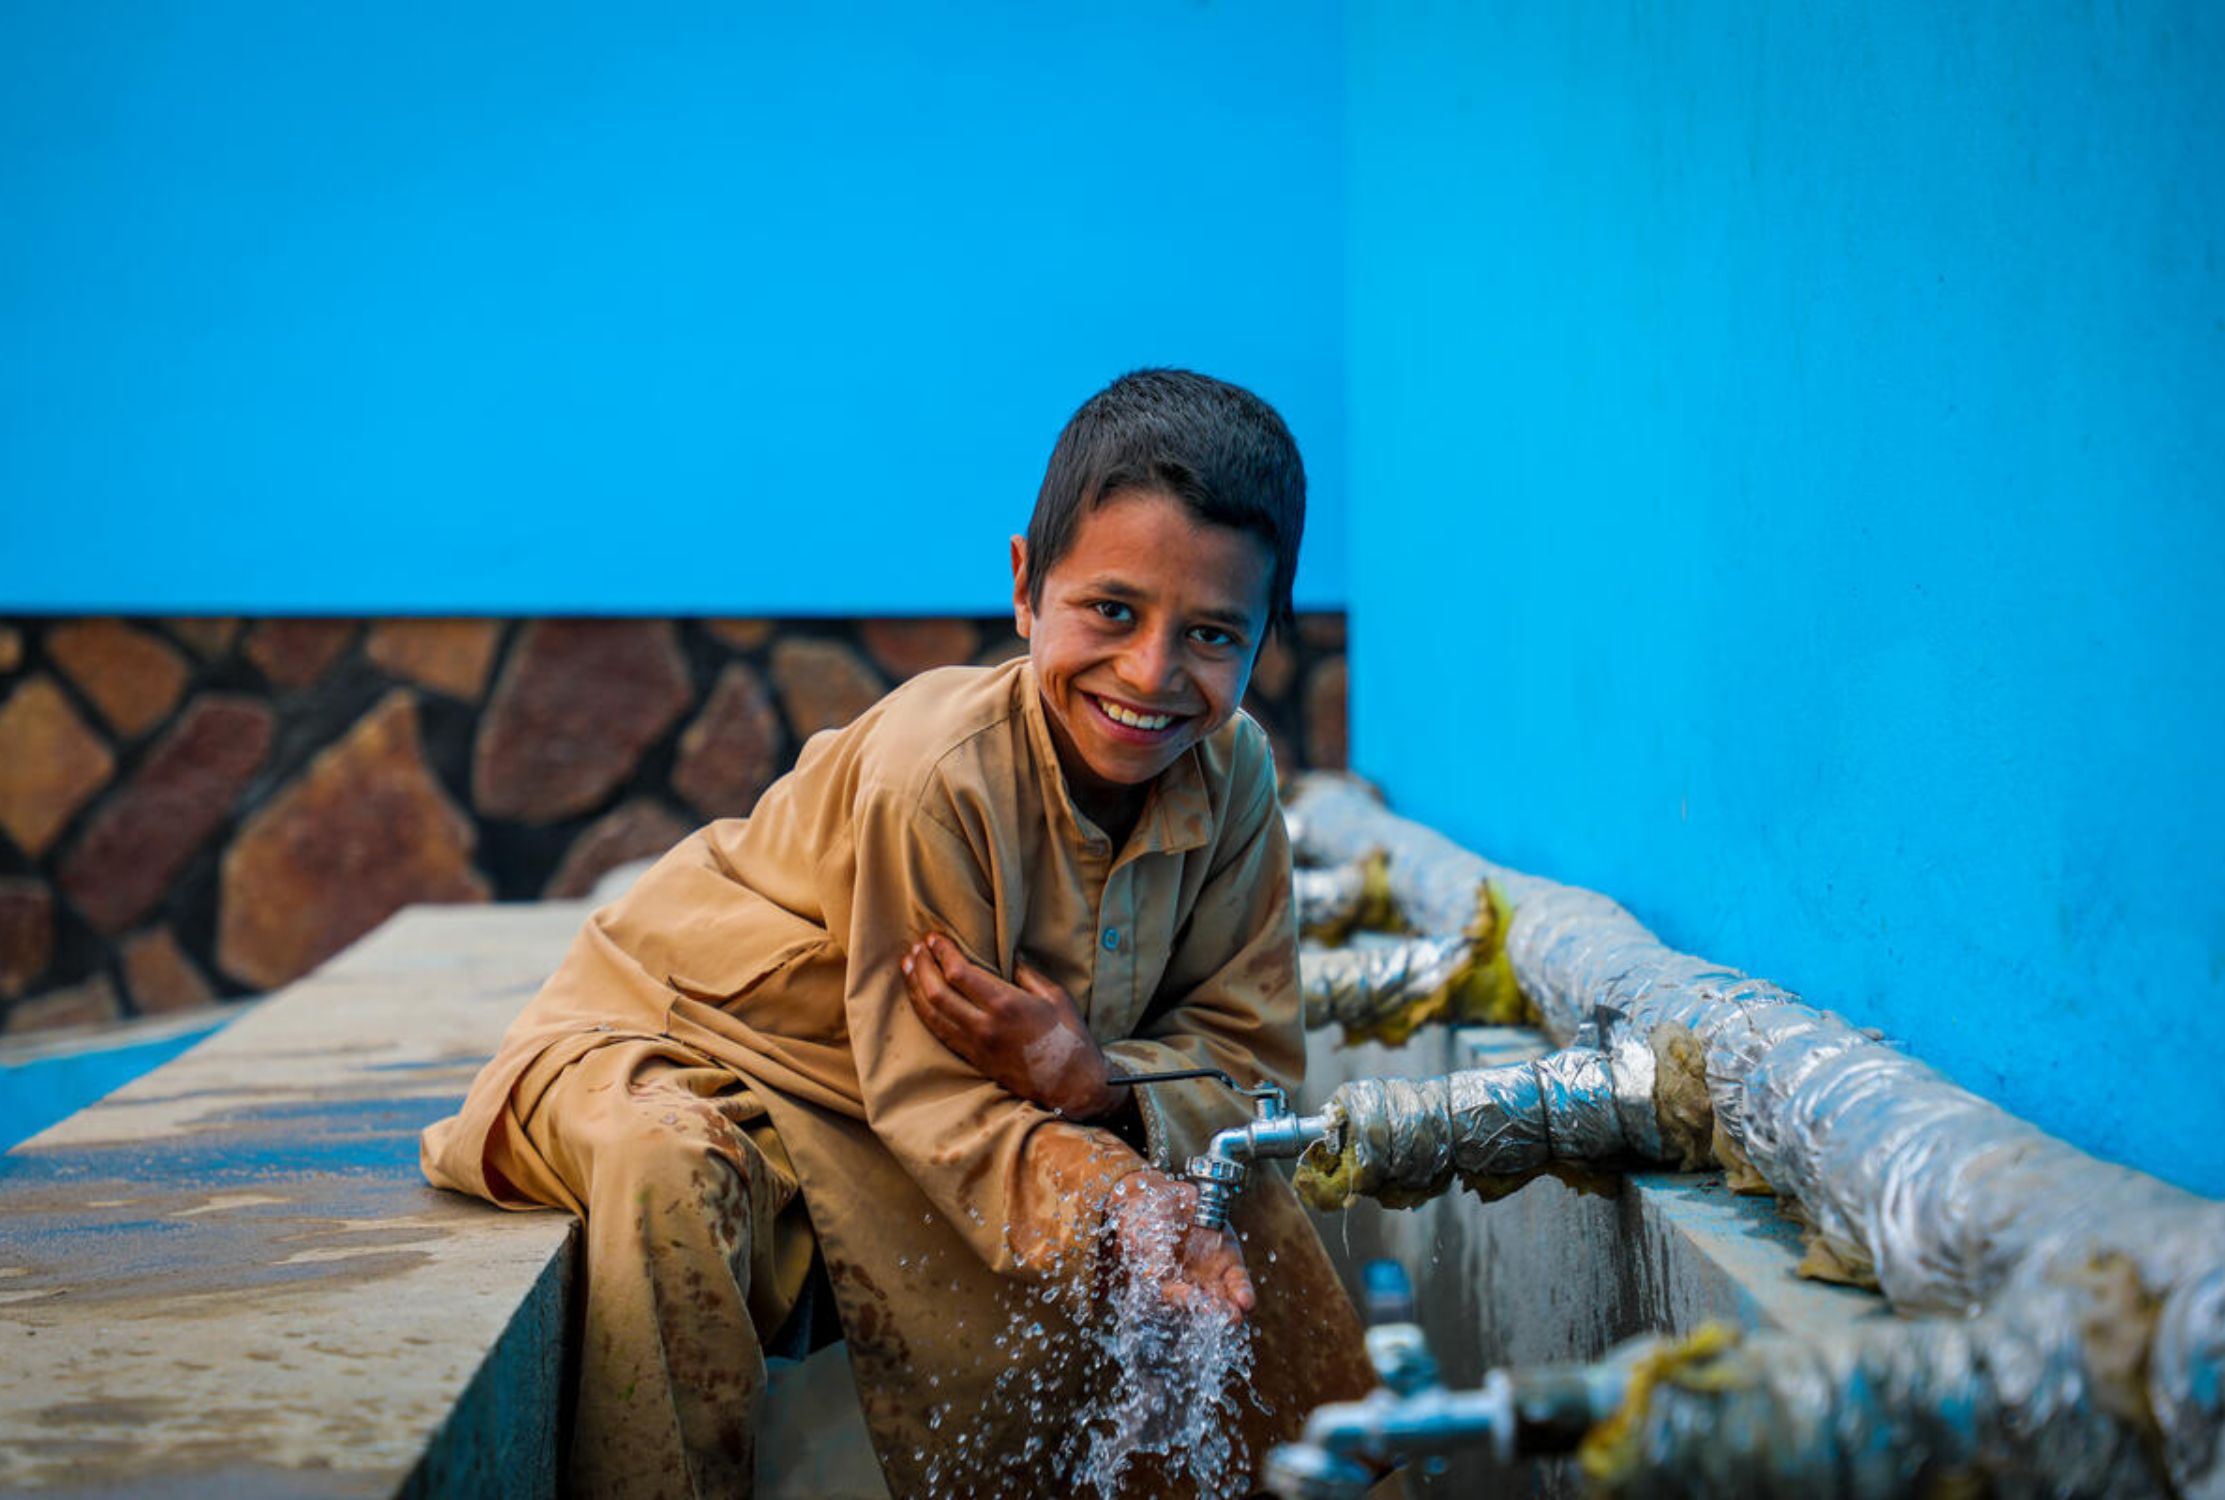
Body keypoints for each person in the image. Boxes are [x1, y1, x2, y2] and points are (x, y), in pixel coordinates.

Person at [420, 369, 1374, 1498]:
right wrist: (1120, 1198)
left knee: (1220, 1217)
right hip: (675, 1048)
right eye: (1110, 611)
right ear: (1024, 587)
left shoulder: (1236, 778)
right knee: (669, 1174)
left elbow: (1253, 1072)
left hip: (883, 1105)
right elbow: (936, 1096)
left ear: (1267, 638)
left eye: (1212, 634)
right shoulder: (939, 778)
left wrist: (1100, 1087)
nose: (1151, 674)